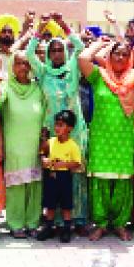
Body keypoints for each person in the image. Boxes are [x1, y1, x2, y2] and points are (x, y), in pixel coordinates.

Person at [78, 28, 134, 242]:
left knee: (123, 182)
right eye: (116, 53)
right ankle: (101, 223)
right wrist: (99, 42)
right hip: (101, 138)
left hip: (124, 139)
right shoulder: (99, 77)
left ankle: (121, 223)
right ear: (109, 56)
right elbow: (83, 58)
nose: (121, 57)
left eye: (125, 54)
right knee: (100, 181)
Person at [26, 13, 89, 233]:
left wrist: (63, 25)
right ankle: (56, 221)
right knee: (54, 175)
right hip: (53, 131)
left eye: (60, 49)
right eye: (52, 50)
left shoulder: (73, 68)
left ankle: (77, 219)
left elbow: (80, 47)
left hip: (75, 130)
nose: (56, 53)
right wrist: (40, 28)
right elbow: (28, 53)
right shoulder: (43, 73)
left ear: (65, 51)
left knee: (75, 173)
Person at [0, 53, 46, 238]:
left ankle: (33, 222)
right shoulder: (6, 86)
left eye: (26, 63)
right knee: (16, 185)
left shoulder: (37, 88)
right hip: (15, 143)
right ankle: (16, 223)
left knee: (34, 184)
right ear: (12, 66)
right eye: (18, 63)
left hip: (34, 142)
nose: (23, 67)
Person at [38, 110, 82, 243]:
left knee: (66, 205)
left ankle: (67, 229)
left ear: (69, 128)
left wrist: (64, 164)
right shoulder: (50, 142)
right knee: (50, 204)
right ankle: (48, 228)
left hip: (65, 178)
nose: (57, 128)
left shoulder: (72, 145)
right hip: (50, 178)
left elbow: (77, 163)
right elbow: (42, 151)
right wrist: (43, 159)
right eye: (56, 125)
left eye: (61, 125)